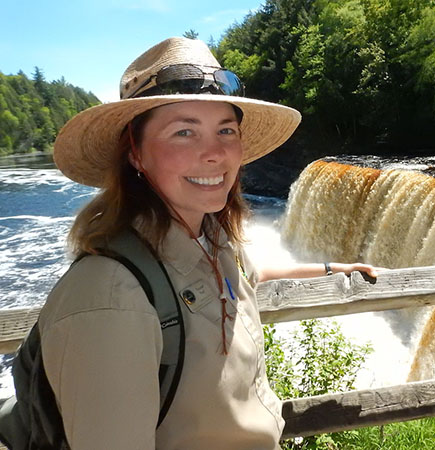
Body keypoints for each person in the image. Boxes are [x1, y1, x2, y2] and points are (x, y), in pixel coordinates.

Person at [37, 37, 377, 449]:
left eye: (226, 130)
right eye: (184, 132)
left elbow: (251, 273)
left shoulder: (209, 239)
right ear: (136, 155)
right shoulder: (111, 299)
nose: (215, 153)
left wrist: (329, 270)